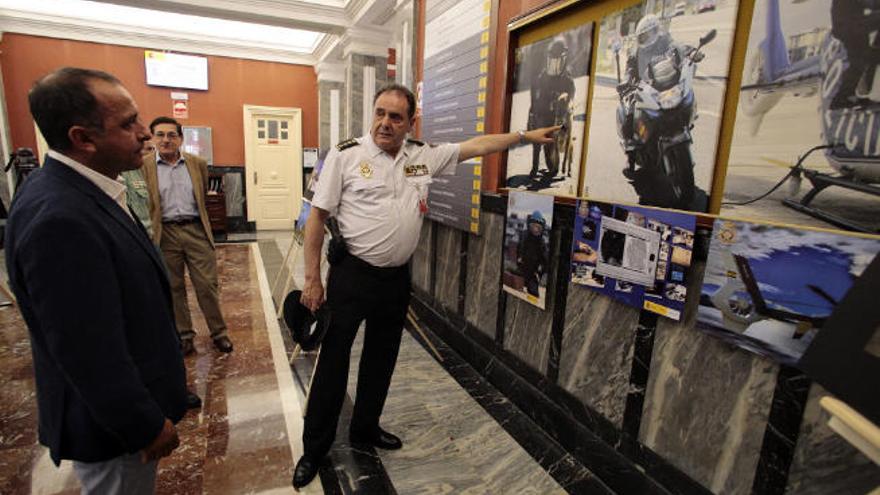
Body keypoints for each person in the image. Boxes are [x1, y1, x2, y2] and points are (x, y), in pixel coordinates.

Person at [292, 83, 558, 489]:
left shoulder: (423, 156)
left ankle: (365, 428)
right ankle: (314, 449)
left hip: (395, 280)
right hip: (351, 276)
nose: (385, 122)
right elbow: (317, 218)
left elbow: (480, 145)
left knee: (382, 358)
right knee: (333, 363)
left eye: (395, 116)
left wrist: (523, 137)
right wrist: (312, 279)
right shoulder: (346, 156)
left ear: (410, 122)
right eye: (380, 113)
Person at [5, 67, 187, 494]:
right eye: (127, 124)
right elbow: (87, 348)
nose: (146, 133)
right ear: (82, 139)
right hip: (114, 434)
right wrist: (142, 425)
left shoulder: (82, 190)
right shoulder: (60, 217)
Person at [122, 139, 203, 410]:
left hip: (149, 247)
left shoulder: (129, 172)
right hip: (139, 251)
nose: (146, 136)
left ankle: (174, 387)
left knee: (162, 314)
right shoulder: (71, 196)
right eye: (127, 124)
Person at [142, 117, 233, 355]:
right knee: (174, 287)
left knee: (206, 285)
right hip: (166, 232)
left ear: (180, 139)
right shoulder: (145, 166)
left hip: (195, 230)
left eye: (171, 135)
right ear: (153, 138)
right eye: (160, 135)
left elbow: (202, 195)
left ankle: (219, 333)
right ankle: (184, 335)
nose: (166, 140)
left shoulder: (197, 164)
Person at [528, 39, 575, 179]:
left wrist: (562, 101)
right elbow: (537, 97)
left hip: (558, 119)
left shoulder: (568, 80)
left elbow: (570, 100)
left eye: (557, 61)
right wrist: (533, 113)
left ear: (563, 60)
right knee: (535, 135)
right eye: (552, 60)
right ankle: (535, 166)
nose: (554, 65)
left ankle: (560, 162)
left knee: (552, 168)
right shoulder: (543, 76)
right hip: (544, 115)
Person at [517, 211, 548, 298]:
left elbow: (545, 261)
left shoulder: (542, 242)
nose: (535, 229)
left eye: (538, 227)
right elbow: (519, 249)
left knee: (533, 293)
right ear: (530, 225)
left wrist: (538, 272)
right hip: (522, 269)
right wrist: (519, 259)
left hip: (533, 274)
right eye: (533, 226)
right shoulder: (524, 235)